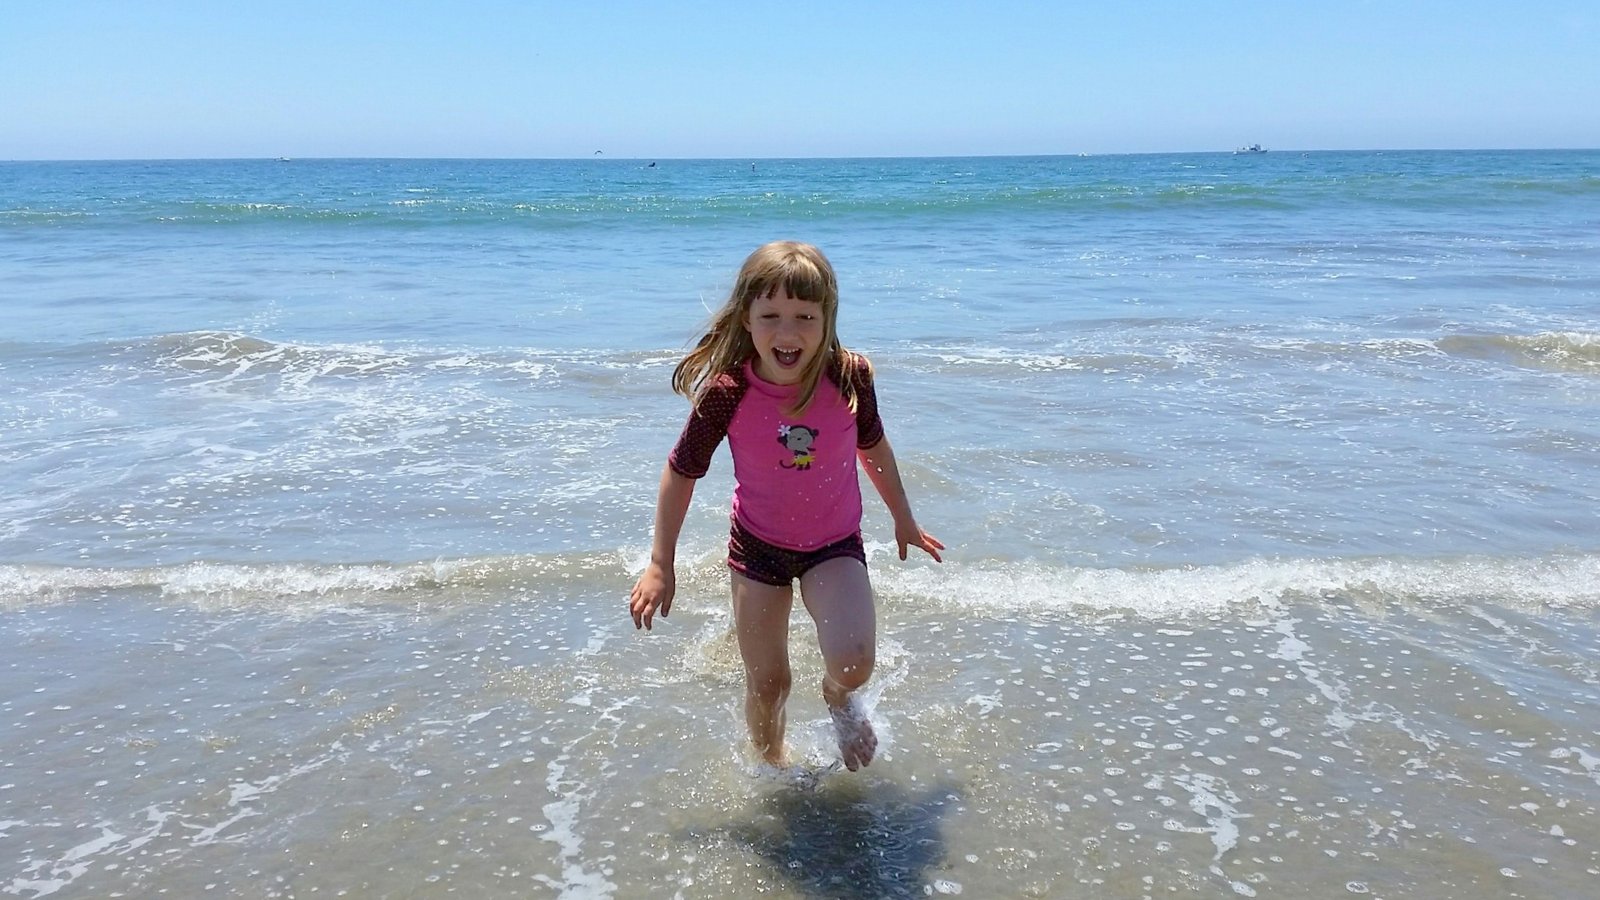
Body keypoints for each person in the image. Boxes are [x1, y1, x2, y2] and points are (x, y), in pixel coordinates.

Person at [629, 240, 944, 771]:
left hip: (834, 544)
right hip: (758, 550)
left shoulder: (849, 376)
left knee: (854, 662)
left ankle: (839, 700)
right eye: (770, 315)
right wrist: (662, 563)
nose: (788, 332)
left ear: (828, 319)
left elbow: (874, 448)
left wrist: (903, 518)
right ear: (747, 319)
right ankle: (772, 768)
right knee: (769, 681)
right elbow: (680, 473)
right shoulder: (727, 392)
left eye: (804, 316)